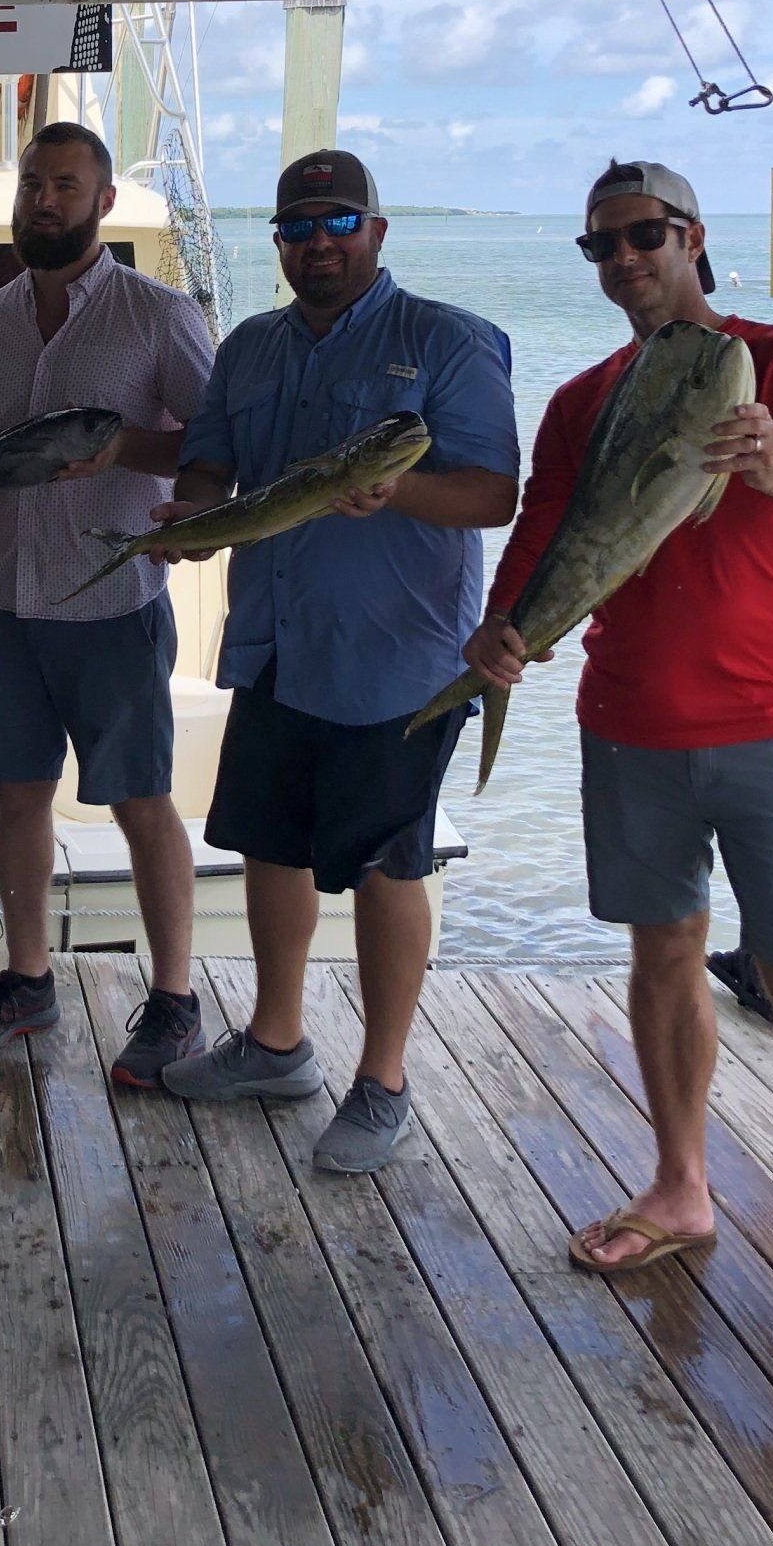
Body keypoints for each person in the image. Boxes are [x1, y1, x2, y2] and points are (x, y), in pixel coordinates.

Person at [464, 160, 773, 1388]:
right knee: (660, 958)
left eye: (643, 236)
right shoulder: (586, 395)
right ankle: (681, 1185)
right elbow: (548, 526)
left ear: (692, 237)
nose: (624, 261)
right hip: (627, 721)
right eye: (601, 247)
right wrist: (498, 633)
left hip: (770, 728)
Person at [160, 150, 519, 1170]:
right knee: (267, 843)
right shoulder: (253, 346)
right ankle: (277, 1044)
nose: (316, 243)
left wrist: (396, 491)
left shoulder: (447, 340)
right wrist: (187, 514)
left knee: (384, 862)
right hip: (275, 643)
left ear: (377, 230)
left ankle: (384, 1079)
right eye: (295, 227)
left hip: (397, 660)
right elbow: (211, 466)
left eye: (336, 222)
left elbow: (493, 493)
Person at [0, 123, 218, 1084]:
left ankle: (176, 1002)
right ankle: (27, 978)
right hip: (6, 593)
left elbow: (216, 447)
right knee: (16, 795)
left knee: (141, 800)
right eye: (31, 183)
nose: (43, 200)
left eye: (65, 184)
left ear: (102, 201)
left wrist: (125, 451)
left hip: (113, 597)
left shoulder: (159, 313)